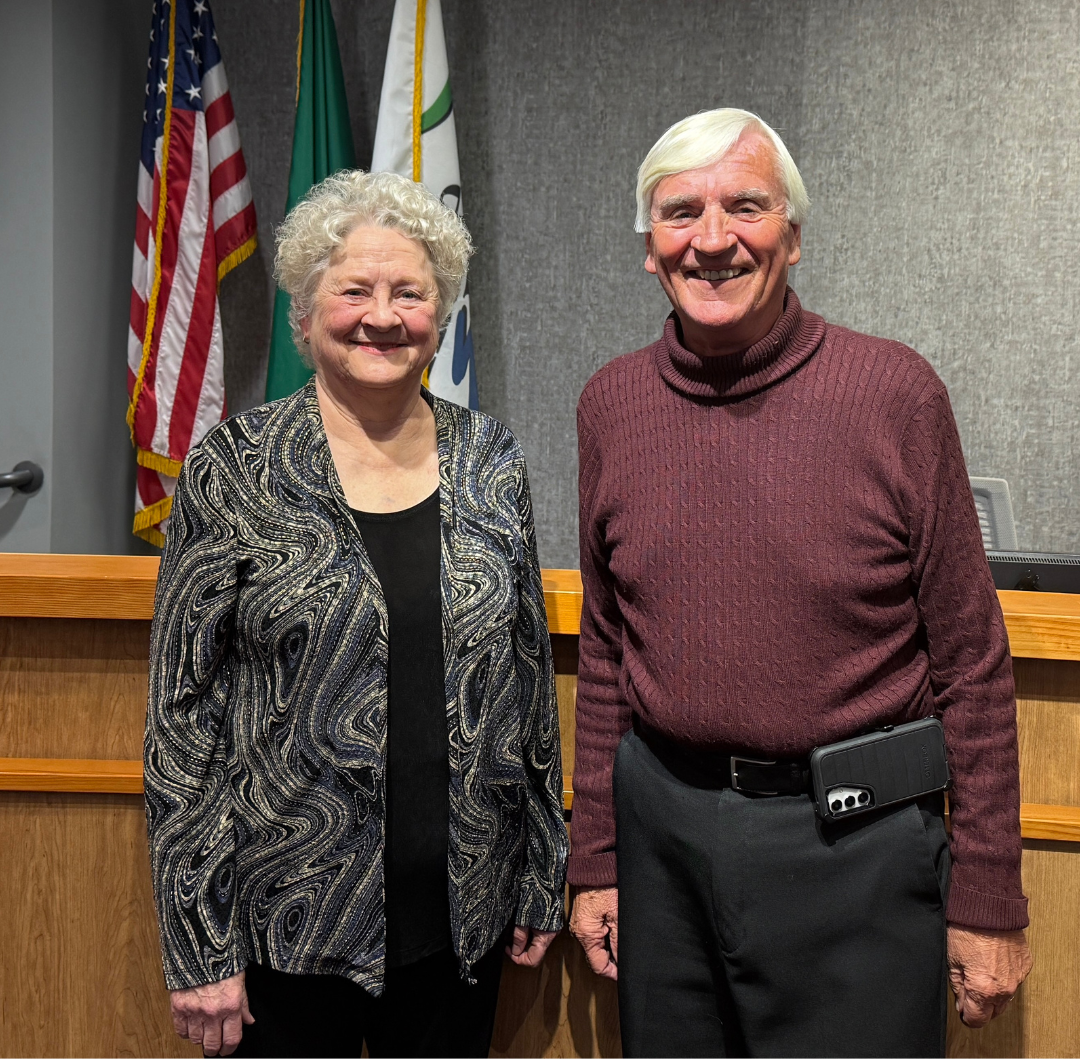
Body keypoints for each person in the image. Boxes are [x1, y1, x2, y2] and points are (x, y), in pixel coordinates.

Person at [568, 108, 1032, 1057]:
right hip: (664, 849)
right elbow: (608, 653)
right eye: (679, 212)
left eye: (746, 207)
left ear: (794, 234)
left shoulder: (895, 395)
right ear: (649, 249)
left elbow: (973, 664)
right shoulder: (611, 405)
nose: (712, 240)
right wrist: (597, 860)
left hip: (854, 855)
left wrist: (989, 893)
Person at [144, 169, 568, 1058]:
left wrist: (541, 872)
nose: (383, 314)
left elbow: (526, 678)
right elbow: (181, 723)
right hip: (286, 928)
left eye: (409, 292)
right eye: (355, 290)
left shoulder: (490, 457)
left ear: (438, 315)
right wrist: (197, 944)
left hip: (463, 920)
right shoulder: (237, 467)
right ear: (306, 313)